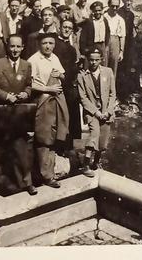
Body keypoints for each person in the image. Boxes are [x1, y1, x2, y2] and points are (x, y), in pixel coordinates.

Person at [0, 34, 35, 196]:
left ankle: (26, 183)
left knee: (22, 149)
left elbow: (30, 86)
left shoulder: (26, 65)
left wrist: (26, 93)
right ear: (7, 47)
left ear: (23, 47)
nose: (15, 50)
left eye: (18, 46)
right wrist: (5, 96)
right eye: (12, 46)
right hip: (1, 112)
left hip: (19, 114)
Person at [28, 33, 69, 188]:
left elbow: (62, 76)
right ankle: (45, 176)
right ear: (39, 44)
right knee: (43, 137)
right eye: (45, 43)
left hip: (56, 100)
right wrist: (48, 88)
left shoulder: (54, 58)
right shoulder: (34, 59)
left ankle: (47, 172)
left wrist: (60, 75)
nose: (48, 46)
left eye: (51, 43)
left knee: (54, 136)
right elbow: (29, 83)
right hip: (43, 99)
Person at [77, 48, 116, 177]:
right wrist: (96, 113)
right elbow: (83, 98)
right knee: (94, 133)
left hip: (106, 111)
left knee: (103, 141)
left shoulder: (108, 72)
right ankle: (85, 165)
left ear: (101, 60)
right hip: (91, 112)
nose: (94, 63)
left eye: (96, 60)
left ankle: (96, 162)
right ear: (88, 60)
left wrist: (108, 111)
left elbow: (112, 94)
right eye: (91, 60)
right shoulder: (82, 75)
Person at [54, 19, 82, 149]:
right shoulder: (54, 44)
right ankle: (57, 143)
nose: (66, 30)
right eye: (64, 27)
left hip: (68, 82)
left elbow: (71, 67)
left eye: (69, 28)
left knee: (73, 102)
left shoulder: (71, 48)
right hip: (56, 82)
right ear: (60, 28)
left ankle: (69, 142)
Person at [117, 0, 137, 101]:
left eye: (130, 1)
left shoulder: (132, 14)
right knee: (120, 68)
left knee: (128, 67)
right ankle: (120, 93)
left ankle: (127, 92)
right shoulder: (119, 13)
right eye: (127, 1)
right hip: (120, 42)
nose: (129, 3)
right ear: (123, 1)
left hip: (129, 44)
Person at [79, 1, 111, 66]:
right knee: (91, 64)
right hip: (92, 45)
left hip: (102, 45)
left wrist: (106, 45)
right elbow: (83, 37)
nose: (97, 12)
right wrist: (84, 50)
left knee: (103, 64)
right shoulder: (89, 21)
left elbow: (108, 32)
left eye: (99, 10)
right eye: (95, 11)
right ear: (93, 11)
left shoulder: (104, 20)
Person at [104, 0, 126, 80]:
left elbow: (122, 36)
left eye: (117, 6)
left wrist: (121, 51)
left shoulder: (120, 19)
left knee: (114, 67)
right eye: (112, 6)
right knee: (103, 66)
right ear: (109, 5)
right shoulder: (103, 17)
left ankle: (112, 90)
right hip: (105, 41)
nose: (114, 8)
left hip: (115, 41)